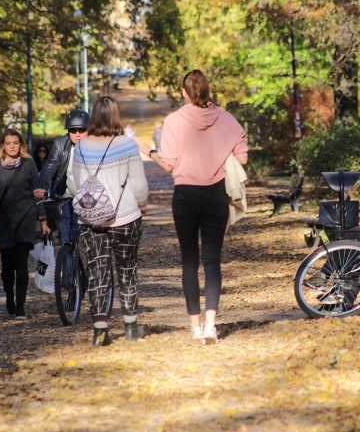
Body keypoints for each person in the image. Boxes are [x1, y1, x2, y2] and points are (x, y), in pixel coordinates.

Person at [134, 69, 248, 345]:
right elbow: (242, 159)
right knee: (212, 261)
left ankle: (195, 326)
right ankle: (211, 325)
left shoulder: (173, 121)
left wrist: (147, 151)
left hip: (185, 195)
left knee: (189, 260)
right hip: (215, 195)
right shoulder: (227, 119)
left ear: (184, 92)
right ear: (207, 90)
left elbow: (169, 164)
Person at [70, 96, 149, 347]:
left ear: (93, 116)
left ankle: (100, 331)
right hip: (125, 217)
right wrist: (142, 203)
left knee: (96, 273)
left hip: (91, 220)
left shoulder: (80, 148)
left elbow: (73, 184)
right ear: (116, 115)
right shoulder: (126, 144)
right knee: (127, 270)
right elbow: (137, 183)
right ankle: (130, 327)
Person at [0, 129, 50, 319]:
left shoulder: (28, 164)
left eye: (15, 143)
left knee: (21, 263)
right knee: (7, 267)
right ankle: (9, 296)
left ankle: (20, 305)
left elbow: (36, 192)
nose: (12, 146)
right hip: (4, 219)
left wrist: (42, 219)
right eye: (8, 143)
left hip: (26, 218)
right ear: (2, 146)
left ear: (20, 144)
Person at [34, 108, 89, 240]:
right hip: (67, 197)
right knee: (67, 238)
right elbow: (50, 166)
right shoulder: (60, 145)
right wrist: (41, 186)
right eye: (73, 130)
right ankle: (68, 256)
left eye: (81, 130)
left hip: (90, 200)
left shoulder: (97, 146)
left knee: (89, 241)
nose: (77, 134)